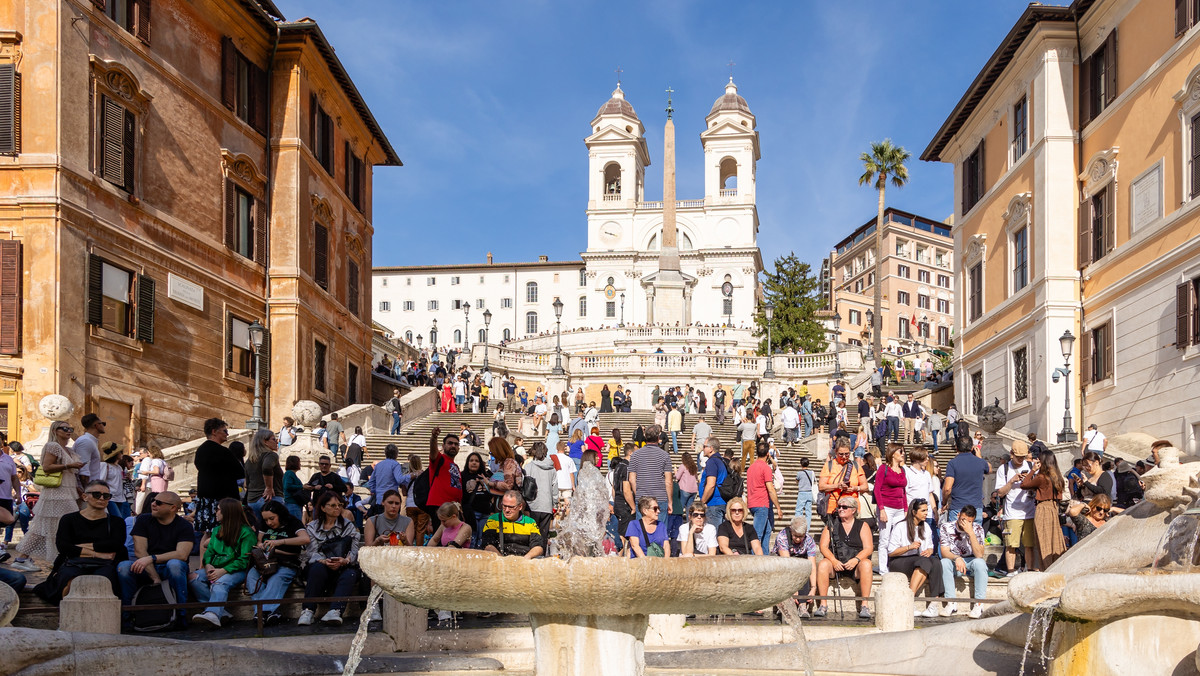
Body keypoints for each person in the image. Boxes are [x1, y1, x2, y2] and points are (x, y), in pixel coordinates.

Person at [34, 481, 127, 602]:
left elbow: (116, 544)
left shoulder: (117, 522)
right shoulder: (69, 519)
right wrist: (98, 553)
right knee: (69, 578)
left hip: (105, 564)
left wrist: (80, 548)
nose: (102, 498)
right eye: (96, 494)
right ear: (85, 497)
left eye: (106, 496)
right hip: (74, 562)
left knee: (106, 579)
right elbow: (63, 547)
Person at [12, 420, 85, 571]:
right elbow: (46, 467)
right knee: (59, 526)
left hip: (67, 492)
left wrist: (78, 489)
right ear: (55, 430)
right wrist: (68, 465)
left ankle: (23, 558)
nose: (68, 430)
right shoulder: (53, 446)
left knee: (43, 527)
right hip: (56, 493)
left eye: (70, 427)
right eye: (64, 428)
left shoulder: (68, 450)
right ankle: (55, 559)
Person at [117, 491, 195, 626]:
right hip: (147, 568)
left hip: (169, 567)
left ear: (173, 508)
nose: (153, 504)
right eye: (153, 500)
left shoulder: (184, 526)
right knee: (124, 567)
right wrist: (155, 577)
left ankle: (180, 615)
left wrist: (152, 558)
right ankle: (128, 617)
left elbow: (181, 554)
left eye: (159, 502)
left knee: (175, 565)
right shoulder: (143, 520)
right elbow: (140, 551)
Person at [190, 498, 257, 628]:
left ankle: (213, 613)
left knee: (220, 583)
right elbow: (209, 552)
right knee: (194, 578)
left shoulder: (247, 532)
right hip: (215, 567)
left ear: (228, 512)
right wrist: (208, 565)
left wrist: (223, 571)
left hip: (237, 570)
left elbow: (245, 560)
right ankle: (221, 612)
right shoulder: (216, 530)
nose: (216, 512)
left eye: (219, 509)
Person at [299, 491, 362, 626]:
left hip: (343, 565)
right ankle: (308, 610)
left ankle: (335, 611)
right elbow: (312, 552)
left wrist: (345, 561)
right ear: (322, 508)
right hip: (321, 565)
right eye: (333, 505)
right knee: (317, 569)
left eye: (339, 505)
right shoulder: (312, 527)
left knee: (351, 574)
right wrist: (325, 561)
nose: (337, 508)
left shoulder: (348, 526)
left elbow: (354, 550)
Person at [246, 502, 309, 626]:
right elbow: (259, 541)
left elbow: (305, 539)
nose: (269, 523)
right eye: (266, 520)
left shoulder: (293, 522)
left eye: (272, 518)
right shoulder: (264, 524)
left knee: (277, 579)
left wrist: (279, 542)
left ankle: (261, 613)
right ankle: (270, 613)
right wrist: (262, 546)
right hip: (265, 561)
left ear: (280, 515)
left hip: (286, 562)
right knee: (252, 577)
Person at [815, 496, 874, 618]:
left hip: (855, 563)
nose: (840, 509)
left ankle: (865, 605)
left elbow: (868, 548)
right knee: (823, 564)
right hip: (836, 563)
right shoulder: (831, 524)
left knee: (867, 564)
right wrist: (833, 560)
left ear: (853, 510)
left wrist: (856, 560)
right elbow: (823, 546)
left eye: (844, 507)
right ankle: (823, 604)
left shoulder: (863, 525)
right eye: (839, 507)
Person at [886, 498, 944, 617]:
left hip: (918, 559)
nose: (926, 513)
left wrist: (929, 550)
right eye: (923, 510)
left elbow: (930, 547)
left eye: (927, 510)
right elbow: (891, 552)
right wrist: (909, 547)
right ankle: (909, 600)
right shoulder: (900, 526)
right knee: (924, 562)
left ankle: (934, 603)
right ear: (913, 512)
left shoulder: (926, 527)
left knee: (935, 562)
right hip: (899, 560)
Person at [193, 418, 242, 535]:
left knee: (207, 533)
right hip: (222, 500)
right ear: (214, 431)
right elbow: (239, 472)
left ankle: (204, 554)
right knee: (224, 532)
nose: (227, 434)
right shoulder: (223, 451)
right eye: (225, 431)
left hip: (205, 498)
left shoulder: (200, 450)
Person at [939, 505, 988, 618]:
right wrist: (957, 558)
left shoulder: (978, 529)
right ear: (958, 516)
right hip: (954, 561)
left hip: (971, 560)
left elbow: (979, 555)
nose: (965, 523)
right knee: (944, 562)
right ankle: (951, 602)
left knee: (980, 563)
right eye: (963, 520)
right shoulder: (946, 527)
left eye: (969, 521)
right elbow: (944, 551)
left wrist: (971, 533)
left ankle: (979, 604)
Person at [1019, 453, 1068, 569]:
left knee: (1043, 540)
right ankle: (1056, 565)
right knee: (1055, 539)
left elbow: (1024, 484)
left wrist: (1032, 470)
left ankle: (1046, 567)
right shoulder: (1058, 477)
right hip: (1054, 508)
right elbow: (1060, 496)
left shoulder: (1041, 477)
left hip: (1043, 508)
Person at [995, 440, 1036, 576]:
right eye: (1018, 456)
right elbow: (1000, 493)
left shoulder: (1031, 466)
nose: (1021, 459)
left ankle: (1029, 570)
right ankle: (1011, 571)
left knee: (1030, 545)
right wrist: (1012, 481)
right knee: (1011, 545)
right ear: (1011, 454)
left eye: (1023, 457)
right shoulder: (1004, 469)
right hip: (1012, 513)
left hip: (1030, 511)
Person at [627, 424, 673, 526]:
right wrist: (670, 501)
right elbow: (668, 481)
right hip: (660, 498)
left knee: (643, 532)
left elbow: (632, 479)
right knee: (660, 532)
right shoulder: (665, 456)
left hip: (642, 498)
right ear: (658, 438)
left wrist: (638, 493)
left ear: (645, 437)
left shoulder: (635, 455)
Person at [776, 515, 820, 617]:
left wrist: (814, 587)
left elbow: (812, 565)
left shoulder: (809, 540)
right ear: (791, 531)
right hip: (783, 563)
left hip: (800, 562)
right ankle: (785, 605)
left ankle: (802, 605)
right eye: (795, 536)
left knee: (804, 568)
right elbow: (788, 565)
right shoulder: (782, 537)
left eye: (801, 536)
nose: (798, 539)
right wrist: (793, 589)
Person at [874, 444, 909, 575]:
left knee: (897, 539)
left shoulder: (903, 470)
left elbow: (903, 491)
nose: (903, 453)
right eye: (901, 451)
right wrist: (881, 509)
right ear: (893, 453)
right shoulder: (884, 468)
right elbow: (877, 489)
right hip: (887, 507)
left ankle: (894, 566)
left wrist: (905, 508)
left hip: (900, 508)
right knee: (884, 538)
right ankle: (883, 568)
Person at [817, 438, 868, 525]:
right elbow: (821, 486)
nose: (844, 457)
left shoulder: (855, 465)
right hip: (833, 508)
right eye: (841, 454)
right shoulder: (829, 465)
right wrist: (837, 486)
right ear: (835, 452)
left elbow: (865, 486)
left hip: (852, 508)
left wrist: (855, 488)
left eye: (847, 454)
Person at [942, 434, 990, 524]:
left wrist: (944, 502)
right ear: (972, 448)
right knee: (974, 536)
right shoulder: (980, 462)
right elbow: (989, 469)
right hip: (976, 508)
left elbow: (947, 488)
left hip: (958, 507)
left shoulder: (952, 463)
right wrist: (980, 457)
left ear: (956, 448)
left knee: (956, 537)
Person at [482, 490, 544, 558]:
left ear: (520, 507)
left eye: (511, 507)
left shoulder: (530, 522)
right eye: (504, 506)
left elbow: (538, 547)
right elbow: (487, 545)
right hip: (500, 559)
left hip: (523, 560)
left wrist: (525, 559)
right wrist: (502, 560)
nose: (507, 510)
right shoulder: (494, 519)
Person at [745, 444, 783, 555]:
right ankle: (754, 561)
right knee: (758, 535)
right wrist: (778, 508)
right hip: (762, 503)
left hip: (753, 503)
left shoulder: (751, 467)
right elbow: (771, 489)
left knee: (767, 532)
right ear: (767, 454)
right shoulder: (765, 468)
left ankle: (765, 558)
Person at [244, 428, 283, 523]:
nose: (277, 441)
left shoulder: (250, 460)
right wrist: (269, 487)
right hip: (269, 499)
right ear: (265, 442)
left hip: (252, 500)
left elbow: (246, 484)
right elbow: (266, 467)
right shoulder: (271, 455)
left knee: (258, 530)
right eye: (274, 439)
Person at [525, 442, 557, 536]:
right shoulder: (552, 469)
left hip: (532, 505)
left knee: (532, 535)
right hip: (546, 505)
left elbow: (524, 486)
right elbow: (554, 488)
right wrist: (555, 505)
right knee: (543, 536)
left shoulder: (528, 467)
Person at [699, 436, 729, 526]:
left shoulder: (712, 462)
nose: (703, 449)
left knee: (713, 535)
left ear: (711, 448)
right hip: (721, 502)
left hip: (713, 503)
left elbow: (711, 484)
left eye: (704, 446)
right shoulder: (721, 460)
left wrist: (703, 501)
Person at [100, 443, 132, 519]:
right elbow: (101, 481)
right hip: (110, 497)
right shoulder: (105, 465)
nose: (122, 454)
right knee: (117, 518)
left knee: (122, 519)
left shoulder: (119, 467)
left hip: (120, 497)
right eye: (121, 452)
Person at [794, 458, 816, 526]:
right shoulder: (812, 472)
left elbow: (797, 481)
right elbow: (814, 481)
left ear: (801, 464)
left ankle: (798, 526)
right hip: (809, 492)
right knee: (808, 511)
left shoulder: (799, 473)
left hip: (802, 492)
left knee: (799, 510)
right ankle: (807, 528)